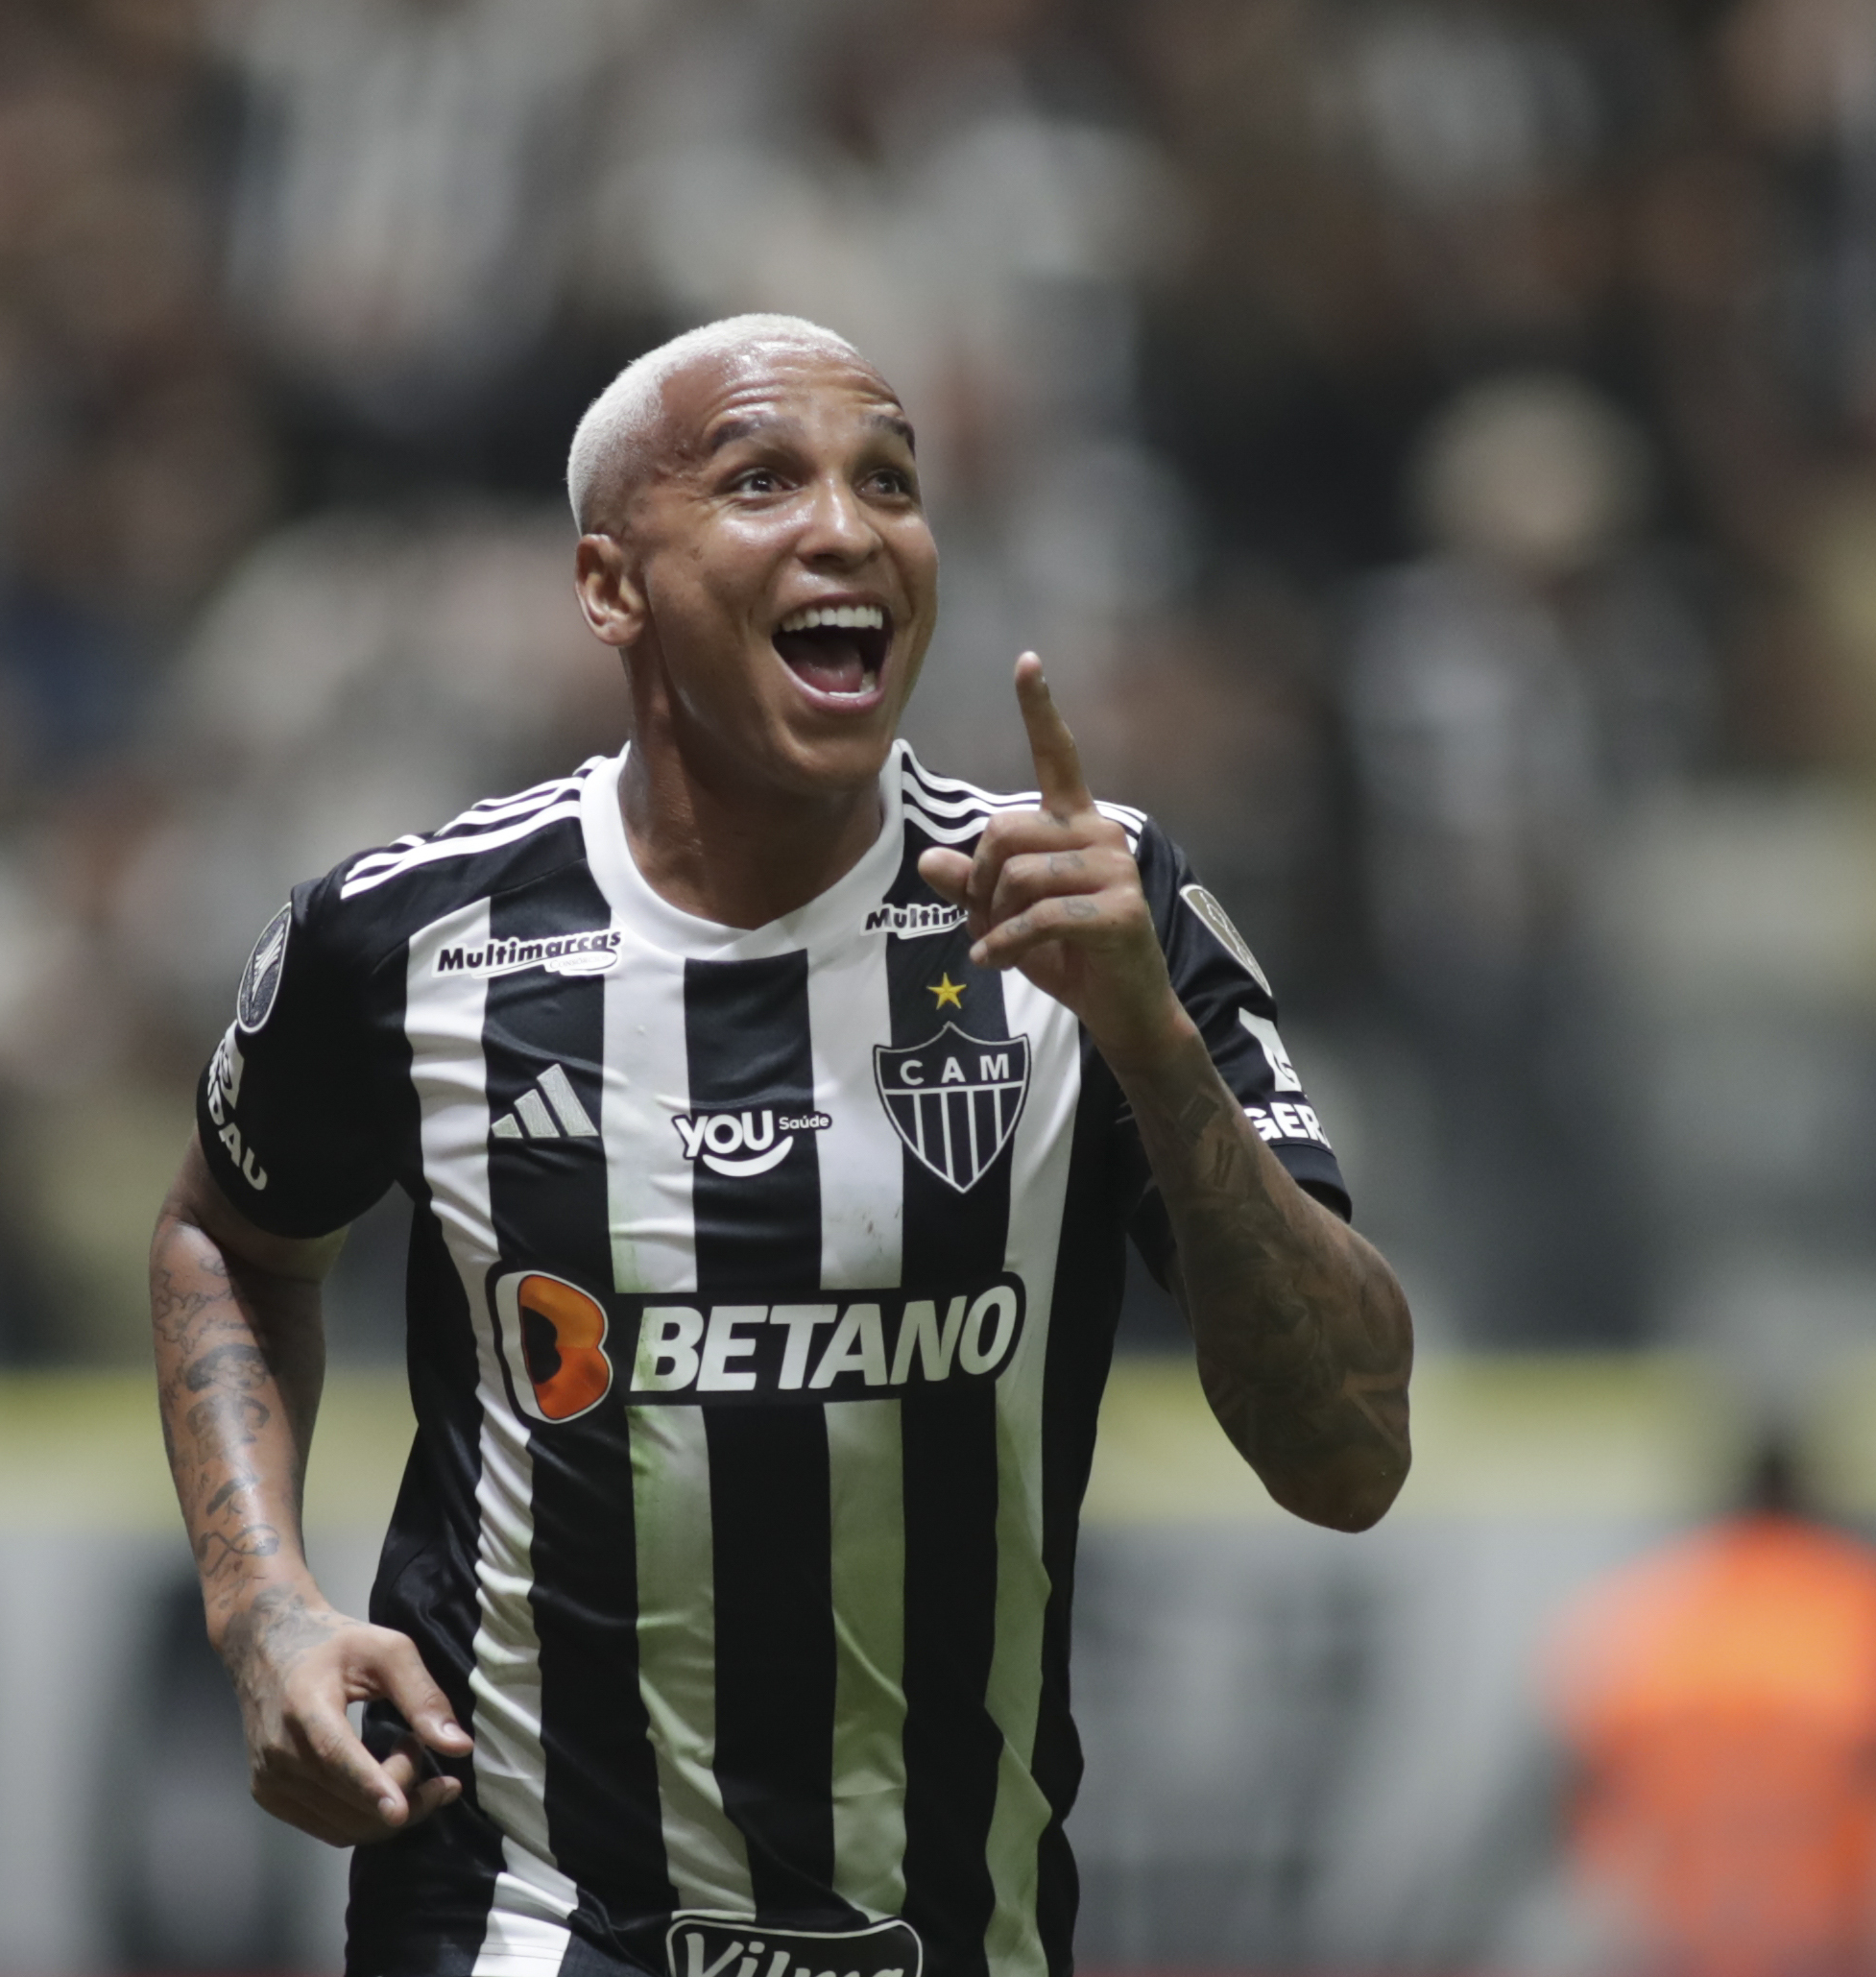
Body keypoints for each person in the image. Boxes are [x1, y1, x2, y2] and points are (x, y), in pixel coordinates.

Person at [146, 314, 1412, 1977]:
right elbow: (226, 1238)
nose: (845, 525)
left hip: (954, 1928)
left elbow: (1347, 1454)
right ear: (611, 587)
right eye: (761, 479)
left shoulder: (1088, 912)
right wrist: (264, 1610)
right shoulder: (408, 938)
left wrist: (1149, 1047)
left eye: (887, 478)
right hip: (522, 1917)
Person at [1545, 1435, 1876, 1977]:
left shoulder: (1640, 1606)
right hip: (1831, 1934)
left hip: (1674, 1933)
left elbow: (1584, 1781)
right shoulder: (1873, 1601)